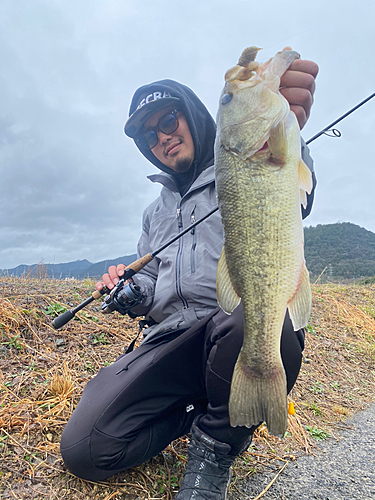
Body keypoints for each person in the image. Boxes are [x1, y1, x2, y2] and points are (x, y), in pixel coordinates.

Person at [60, 53, 319, 499]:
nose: (161, 137)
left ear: (193, 116)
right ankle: (195, 414)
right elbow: (152, 286)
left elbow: (293, 191)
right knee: (84, 448)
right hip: (170, 340)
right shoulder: (154, 211)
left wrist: (290, 128)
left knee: (257, 319)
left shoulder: (244, 161)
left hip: (228, 330)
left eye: (168, 120)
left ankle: (215, 449)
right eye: (149, 134)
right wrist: (129, 291)